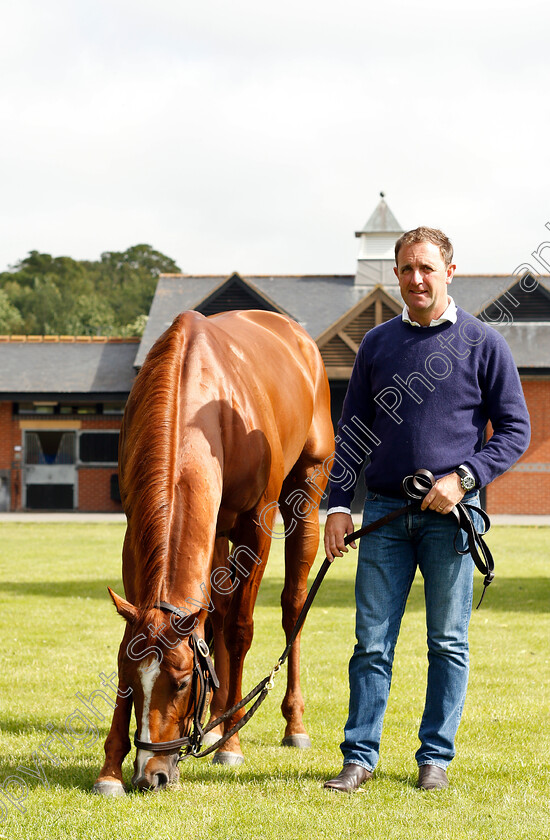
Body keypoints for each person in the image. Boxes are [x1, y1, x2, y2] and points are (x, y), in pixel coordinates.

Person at [323, 227, 530, 792]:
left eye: (428, 269)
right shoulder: (377, 344)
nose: (417, 279)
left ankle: (435, 758)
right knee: (371, 642)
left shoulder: (484, 343)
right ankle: (358, 758)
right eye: (407, 268)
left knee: (447, 641)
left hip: (453, 519)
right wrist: (338, 505)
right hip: (386, 514)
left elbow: (515, 431)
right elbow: (354, 432)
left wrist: (464, 479)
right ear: (395, 274)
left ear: (450, 271)